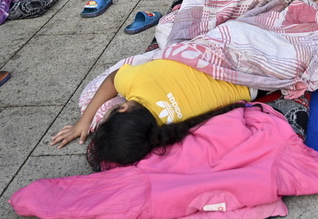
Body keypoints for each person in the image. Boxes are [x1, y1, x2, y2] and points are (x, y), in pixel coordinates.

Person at [50, 58, 256, 165]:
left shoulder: (176, 128)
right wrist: (85, 120)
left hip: (252, 84)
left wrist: (82, 122)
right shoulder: (138, 82)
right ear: (122, 108)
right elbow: (113, 79)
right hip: (235, 63)